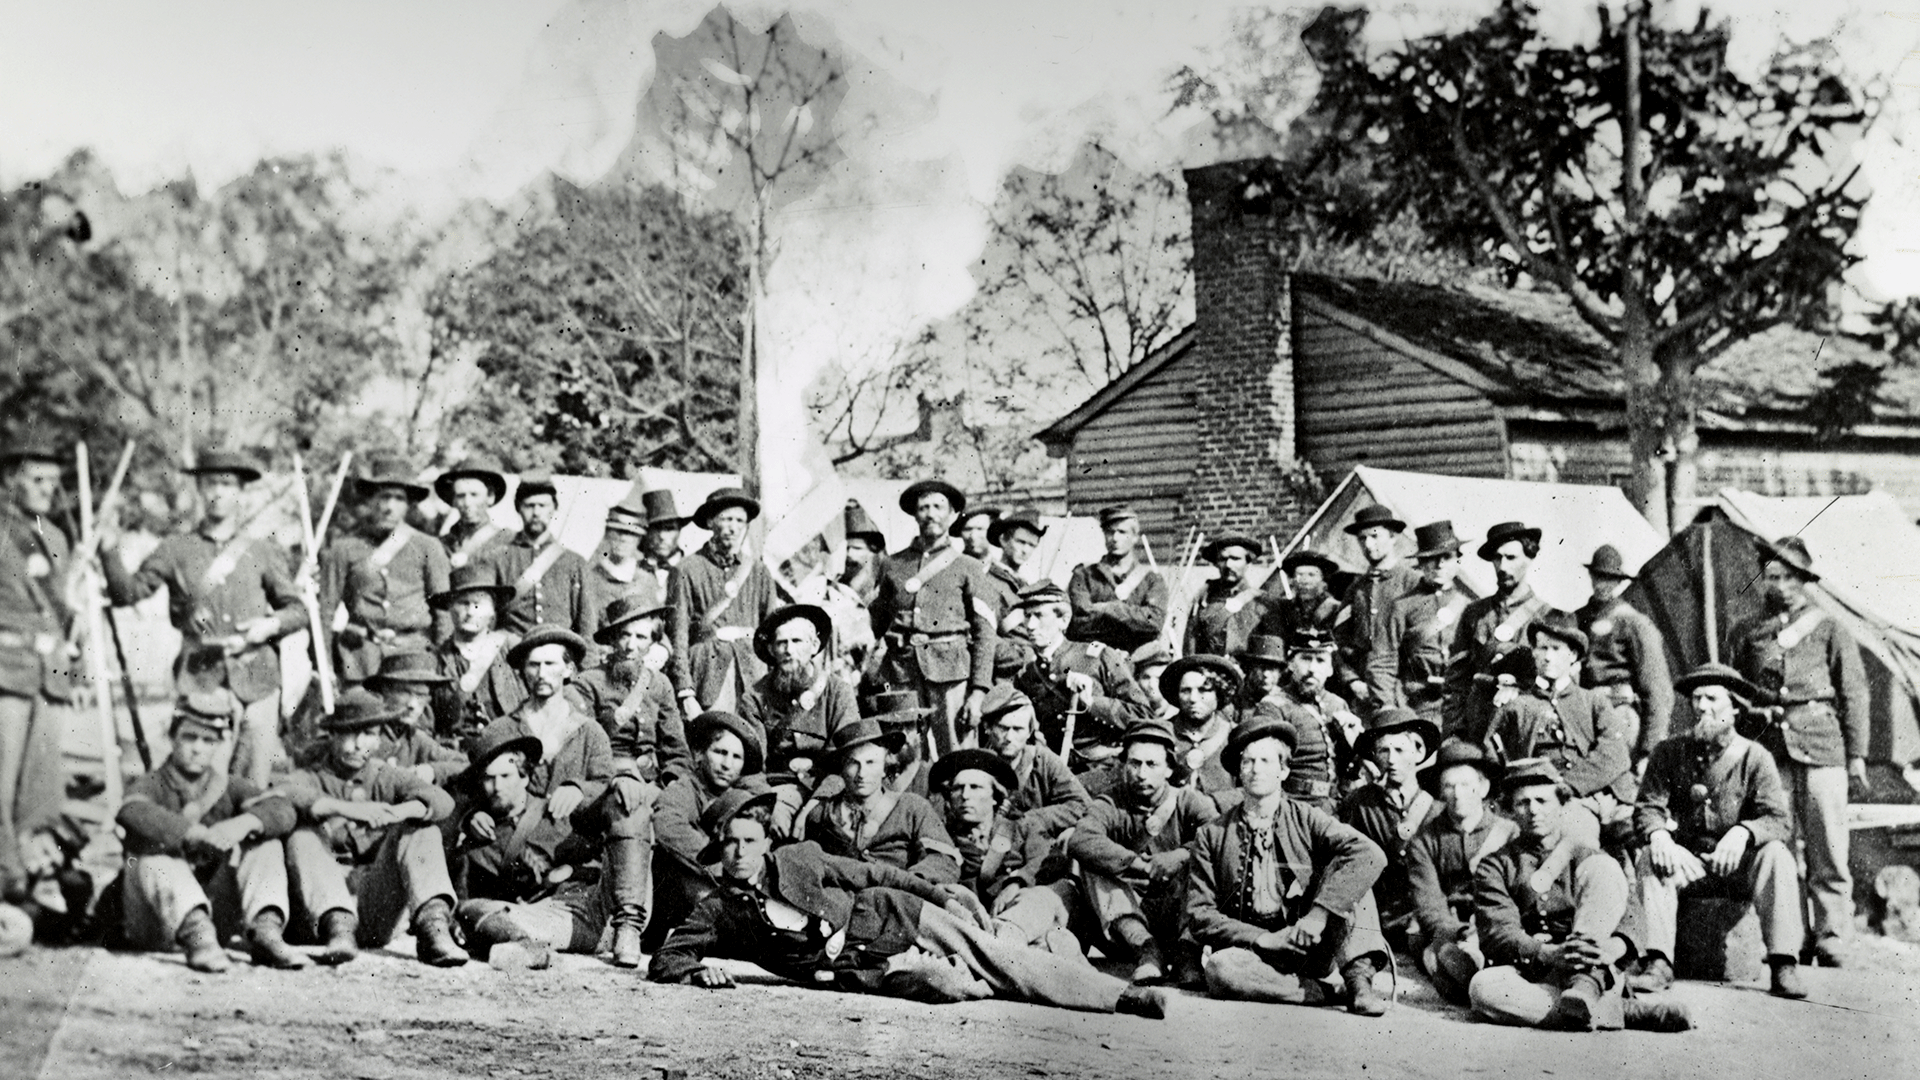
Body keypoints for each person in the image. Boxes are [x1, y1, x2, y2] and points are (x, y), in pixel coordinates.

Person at [648, 787, 1167, 1018]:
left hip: (893, 912)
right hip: (866, 968)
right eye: (730, 845)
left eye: (748, 841)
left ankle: (1117, 999)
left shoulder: (801, 857)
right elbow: (668, 957)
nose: (739, 854)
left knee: (996, 958)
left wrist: (942, 895)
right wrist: (697, 972)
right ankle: (1049, 962)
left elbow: (875, 871)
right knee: (951, 985)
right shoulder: (719, 908)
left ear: (765, 841)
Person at [101, 448, 305, 786]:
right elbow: (128, 594)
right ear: (199, 490)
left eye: (227, 485)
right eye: (211, 484)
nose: (218, 493)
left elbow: (296, 610)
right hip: (201, 679)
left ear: (240, 492)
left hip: (259, 680)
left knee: (253, 784)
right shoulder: (175, 548)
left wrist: (269, 625)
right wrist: (109, 550)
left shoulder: (262, 551)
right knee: (203, 785)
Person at [469, 625, 653, 968]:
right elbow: (476, 787)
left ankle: (628, 923)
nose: (542, 673)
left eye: (552, 664)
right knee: (484, 913)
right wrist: (472, 815)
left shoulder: (589, 732)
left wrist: (579, 788)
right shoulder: (501, 730)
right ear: (522, 671)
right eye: (533, 665)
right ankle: (528, 942)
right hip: (525, 868)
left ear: (568, 670)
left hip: (581, 868)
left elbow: (604, 784)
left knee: (630, 801)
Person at [1725, 534, 1869, 969]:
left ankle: (1832, 934)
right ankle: (1790, 936)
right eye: (1772, 576)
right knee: (1778, 844)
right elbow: (1733, 690)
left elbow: (1854, 692)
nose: (1780, 585)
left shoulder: (1829, 628)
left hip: (1823, 745)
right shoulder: (1747, 631)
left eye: (1789, 577)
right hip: (1770, 750)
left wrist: (1857, 754)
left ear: (1804, 580)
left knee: (1827, 844)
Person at [1186, 714, 1391, 1015]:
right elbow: (1199, 914)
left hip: (1310, 943)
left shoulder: (1307, 817)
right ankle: (1321, 991)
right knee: (1219, 969)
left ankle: (1359, 984)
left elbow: (1370, 853)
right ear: (1238, 773)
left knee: (1351, 871)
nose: (1256, 769)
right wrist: (1263, 939)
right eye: (1248, 762)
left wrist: (1317, 916)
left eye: (1266, 761)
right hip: (1255, 953)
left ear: (1283, 771)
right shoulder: (1212, 834)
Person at [1466, 759, 1690, 1033]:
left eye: (1542, 800)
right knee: (1482, 989)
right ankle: (1619, 1012)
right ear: (1511, 811)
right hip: (1534, 971)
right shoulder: (1496, 865)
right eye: (1523, 803)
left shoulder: (1589, 856)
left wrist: (1609, 949)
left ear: (1561, 805)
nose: (1533, 810)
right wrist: (1548, 954)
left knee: (1603, 869)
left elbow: (1631, 915)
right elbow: (1497, 932)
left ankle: (1583, 995)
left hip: (1594, 970)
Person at [1631, 663, 1806, 999]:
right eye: (1696, 698)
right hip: (1689, 865)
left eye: (1712, 698)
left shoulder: (1756, 758)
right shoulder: (1669, 752)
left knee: (1777, 855)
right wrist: (1659, 835)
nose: (1701, 707)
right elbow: (1648, 806)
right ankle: (1658, 962)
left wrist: (1743, 833)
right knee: (1650, 857)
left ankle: (1784, 963)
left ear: (1735, 707)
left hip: (1738, 868)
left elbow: (1778, 820)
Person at [115, 692, 306, 972]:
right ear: (172, 738)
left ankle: (267, 931)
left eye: (208, 741)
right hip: (155, 923)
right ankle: (197, 935)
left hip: (218, 917)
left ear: (219, 745)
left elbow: (281, 809)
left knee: (267, 844)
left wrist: (243, 824)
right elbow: (132, 811)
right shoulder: (151, 783)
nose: (198, 748)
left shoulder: (228, 785)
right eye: (189, 738)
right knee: (155, 859)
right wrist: (194, 833)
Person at [279, 688, 467, 967]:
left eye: (369, 734)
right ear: (332, 735)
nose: (358, 745)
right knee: (304, 835)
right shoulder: (310, 775)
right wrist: (349, 809)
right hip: (317, 917)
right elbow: (285, 793)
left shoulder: (383, 775)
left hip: (374, 909)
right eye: (349, 734)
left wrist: (399, 811)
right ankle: (339, 931)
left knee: (421, 830)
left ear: (379, 739)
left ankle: (434, 929)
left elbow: (440, 800)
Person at [1069, 719, 1221, 986]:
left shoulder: (1188, 801)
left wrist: (1181, 856)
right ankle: (1147, 951)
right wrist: (1139, 865)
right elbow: (1082, 839)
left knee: (1203, 862)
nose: (1141, 773)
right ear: (1124, 765)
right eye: (1134, 763)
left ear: (1169, 768)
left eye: (1152, 765)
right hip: (1126, 922)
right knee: (1090, 863)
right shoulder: (1111, 802)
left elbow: (1219, 838)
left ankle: (1188, 954)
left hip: (1178, 916)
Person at [451, 727, 608, 970]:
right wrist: (468, 819)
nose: (497, 786)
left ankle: (524, 947)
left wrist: (568, 871)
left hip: (577, 913)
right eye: (489, 778)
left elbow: (600, 861)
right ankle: (524, 947)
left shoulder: (556, 813)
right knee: (470, 908)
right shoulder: (480, 836)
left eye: (506, 776)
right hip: (528, 917)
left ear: (524, 777)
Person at [0, 436, 75, 933]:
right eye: (37, 480)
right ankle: (6, 878)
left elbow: (59, 611)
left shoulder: (57, 538)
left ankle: (30, 878)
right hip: (6, 671)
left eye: (54, 481)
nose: (48, 489)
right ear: (11, 481)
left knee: (41, 790)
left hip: (49, 679)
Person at [868, 479, 997, 755]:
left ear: (952, 515)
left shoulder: (969, 567)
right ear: (915, 515)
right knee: (904, 754)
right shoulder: (893, 565)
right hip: (902, 674)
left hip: (950, 675)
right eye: (923, 507)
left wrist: (978, 692)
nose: (931, 513)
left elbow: (985, 633)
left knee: (957, 754)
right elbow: (875, 623)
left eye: (938, 506)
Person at [1483, 615, 1636, 846]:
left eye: (1556, 649)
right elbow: (1491, 752)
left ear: (1573, 656)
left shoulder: (1593, 701)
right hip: (1533, 800)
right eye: (1542, 648)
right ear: (1533, 652)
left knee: (1578, 833)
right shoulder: (1517, 705)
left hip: (1586, 795)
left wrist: (1570, 785)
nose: (1548, 657)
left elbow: (1615, 753)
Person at [927, 748, 1080, 954]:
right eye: (958, 788)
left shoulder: (1021, 827)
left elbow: (1045, 860)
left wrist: (1016, 882)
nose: (965, 795)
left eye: (975, 787)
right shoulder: (943, 839)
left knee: (1037, 897)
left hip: (1029, 914)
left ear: (994, 797)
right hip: (980, 926)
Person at [320, 453, 451, 684]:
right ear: (370, 500)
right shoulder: (344, 549)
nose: (390, 507)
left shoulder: (428, 547)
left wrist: (444, 663)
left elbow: (443, 613)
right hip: (359, 660)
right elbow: (325, 611)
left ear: (409, 504)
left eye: (398, 498)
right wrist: (325, 665)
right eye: (383, 497)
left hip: (414, 657)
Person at [647, 710, 770, 951]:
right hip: (686, 884)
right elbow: (669, 825)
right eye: (720, 752)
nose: (727, 764)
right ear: (700, 754)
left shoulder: (740, 796)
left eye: (736, 757)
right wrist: (720, 861)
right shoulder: (686, 788)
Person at [1406, 739, 1515, 1004]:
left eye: (1466, 785)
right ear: (1441, 792)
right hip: (1448, 928)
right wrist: (1461, 932)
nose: (1457, 794)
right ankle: (1458, 971)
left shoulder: (1508, 833)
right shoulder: (1425, 840)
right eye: (1449, 786)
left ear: (1483, 787)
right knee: (1439, 955)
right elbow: (1429, 904)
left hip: (1497, 924)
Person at [799, 718, 961, 884]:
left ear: (884, 768)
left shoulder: (912, 808)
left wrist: (911, 883)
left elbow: (944, 859)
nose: (862, 774)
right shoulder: (823, 814)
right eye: (853, 763)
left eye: (871, 762)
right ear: (842, 768)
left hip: (897, 900)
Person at [667, 487, 781, 720]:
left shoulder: (758, 571)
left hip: (753, 673)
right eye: (727, 519)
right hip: (709, 672)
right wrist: (685, 690)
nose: (734, 527)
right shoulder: (686, 569)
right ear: (710, 522)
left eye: (740, 520)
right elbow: (678, 634)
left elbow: (773, 629)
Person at [1009, 582, 1153, 763]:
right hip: (1055, 769)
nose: (1030, 625)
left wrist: (1093, 703)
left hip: (1101, 767)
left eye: (1039, 615)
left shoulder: (1097, 656)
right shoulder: (1026, 675)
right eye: (1027, 616)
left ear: (1063, 620)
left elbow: (1144, 716)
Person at [1337, 708, 1443, 948]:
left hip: (1422, 918)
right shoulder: (1359, 804)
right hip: (1376, 919)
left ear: (1419, 752)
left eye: (1399, 750)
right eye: (1384, 751)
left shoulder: (1436, 808)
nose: (1392, 760)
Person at [1452, 520, 1557, 744]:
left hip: (1525, 726)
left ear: (1529, 558)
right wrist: (1453, 731)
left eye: (1511, 558)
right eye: (1497, 558)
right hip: (1478, 725)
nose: (1502, 566)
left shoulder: (1547, 616)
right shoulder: (1475, 613)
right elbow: (1456, 681)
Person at [738, 604, 858, 799]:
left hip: (829, 786)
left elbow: (846, 755)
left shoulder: (838, 692)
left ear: (814, 646)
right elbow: (753, 765)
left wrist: (819, 799)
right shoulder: (754, 698)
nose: (789, 650)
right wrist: (765, 801)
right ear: (771, 649)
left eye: (797, 641)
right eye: (781, 643)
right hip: (775, 786)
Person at [570, 595, 687, 786]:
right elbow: (585, 749)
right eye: (625, 635)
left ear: (652, 642)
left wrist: (671, 782)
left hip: (654, 780)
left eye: (641, 637)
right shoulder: (588, 683)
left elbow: (676, 749)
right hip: (609, 779)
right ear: (613, 639)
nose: (631, 646)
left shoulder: (660, 683)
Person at [1372, 520, 1472, 732]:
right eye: (1431, 560)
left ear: (1458, 561)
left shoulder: (1469, 606)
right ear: (1420, 563)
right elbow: (1382, 660)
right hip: (1417, 703)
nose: (1439, 565)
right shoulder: (1401, 606)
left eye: (1446, 557)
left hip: (1461, 703)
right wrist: (1389, 707)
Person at [1577, 544, 1673, 761]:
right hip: (1582, 712)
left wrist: (1650, 751)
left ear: (1619, 582)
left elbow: (1657, 689)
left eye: (1610, 578)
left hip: (1618, 712)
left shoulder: (1633, 623)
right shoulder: (1578, 618)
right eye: (1599, 576)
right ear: (1591, 576)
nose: (1603, 584)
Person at [1255, 627, 1359, 814]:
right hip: (1293, 806)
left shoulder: (1337, 704)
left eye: (1320, 661)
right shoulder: (1274, 706)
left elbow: (1349, 767)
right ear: (1290, 664)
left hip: (1335, 807)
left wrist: (1354, 742)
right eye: (1305, 659)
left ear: (1330, 669)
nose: (1312, 669)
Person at [976, 683, 1091, 840]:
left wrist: (1033, 819)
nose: (1009, 738)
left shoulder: (1044, 761)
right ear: (987, 727)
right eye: (1003, 728)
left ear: (1029, 732)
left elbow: (1083, 805)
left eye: (1018, 729)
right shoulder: (975, 763)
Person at [427, 563, 524, 747]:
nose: (470, 612)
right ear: (450, 608)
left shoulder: (513, 649)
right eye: (463, 603)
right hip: (457, 752)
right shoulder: (435, 660)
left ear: (493, 611)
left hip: (509, 748)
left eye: (478, 604)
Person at [1334, 505, 1420, 710]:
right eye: (1362, 539)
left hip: (1407, 696)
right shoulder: (1356, 590)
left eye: (1375, 536)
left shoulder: (1413, 583)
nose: (1368, 545)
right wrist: (1352, 680)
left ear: (1393, 537)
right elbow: (1338, 640)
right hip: (1366, 696)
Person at [487, 470, 589, 637]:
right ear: (518, 508)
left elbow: (586, 623)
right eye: (529, 505)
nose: (536, 513)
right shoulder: (500, 558)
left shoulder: (573, 561)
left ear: (554, 508)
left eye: (542, 506)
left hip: (559, 654)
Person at [1067, 506, 1168, 654]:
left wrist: (1108, 608)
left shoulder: (1151, 580)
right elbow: (1080, 622)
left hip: (1137, 656)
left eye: (1122, 532)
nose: (1115, 538)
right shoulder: (1084, 575)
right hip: (1094, 656)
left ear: (1134, 537)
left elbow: (1154, 622)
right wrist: (1133, 621)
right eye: (1109, 532)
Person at [362, 652, 469, 785]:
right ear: (383, 691)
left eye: (421, 695)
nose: (412, 704)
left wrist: (431, 770)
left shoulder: (412, 737)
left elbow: (462, 763)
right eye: (404, 692)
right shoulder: (362, 732)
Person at [581, 486, 659, 646]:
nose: (624, 539)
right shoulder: (589, 578)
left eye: (631, 533)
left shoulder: (646, 581)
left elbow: (656, 628)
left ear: (639, 539)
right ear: (608, 533)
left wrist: (662, 649)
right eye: (618, 531)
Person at [1161, 654, 1241, 802]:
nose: (1193, 698)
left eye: (1204, 690)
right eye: (1185, 691)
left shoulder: (1236, 737)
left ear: (1220, 693)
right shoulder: (1162, 732)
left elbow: (1248, 789)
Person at [1184, 534, 1270, 660]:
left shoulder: (1259, 601)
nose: (1229, 565)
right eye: (1222, 559)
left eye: (1235, 559)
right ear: (1215, 563)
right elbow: (1191, 642)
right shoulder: (1204, 598)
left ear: (1247, 563)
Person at [433, 454, 511, 571]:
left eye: (474, 495)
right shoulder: (442, 544)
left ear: (490, 496)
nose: (467, 502)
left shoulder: (506, 540)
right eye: (460, 496)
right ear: (453, 500)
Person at [1255, 548, 1342, 643]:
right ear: (1293, 581)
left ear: (1323, 581)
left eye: (1311, 575)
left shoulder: (1335, 609)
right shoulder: (1283, 609)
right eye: (1300, 574)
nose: (1305, 580)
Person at [991, 508, 1046, 586]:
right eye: (1021, 542)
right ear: (1003, 540)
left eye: (1031, 545)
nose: (1025, 550)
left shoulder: (1024, 584)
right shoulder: (989, 576)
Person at [1235, 634, 1289, 712]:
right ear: (1249, 668)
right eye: (1261, 668)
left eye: (1272, 669)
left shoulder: (1285, 703)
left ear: (1280, 673)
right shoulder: (1236, 698)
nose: (1266, 674)